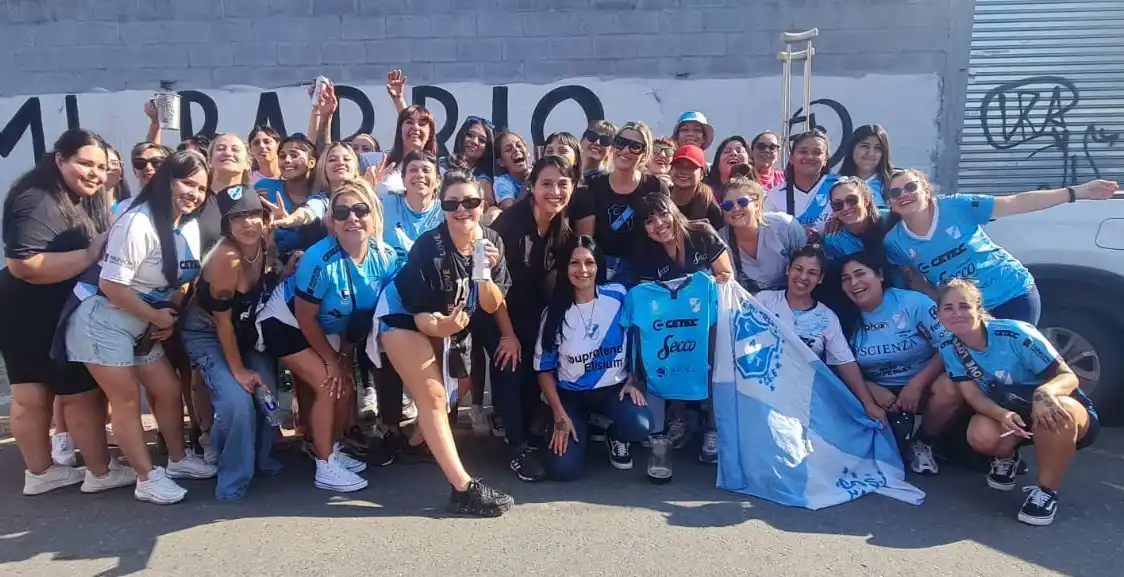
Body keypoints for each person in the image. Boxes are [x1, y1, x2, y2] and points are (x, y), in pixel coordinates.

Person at [64, 150, 217, 504]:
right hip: (102, 321)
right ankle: (147, 478)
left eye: (200, 188)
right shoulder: (138, 222)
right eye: (187, 182)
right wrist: (156, 317)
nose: (193, 193)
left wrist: (167, 316)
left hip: (143, 324)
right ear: (166, 180)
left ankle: (178, 460)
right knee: (127, 400)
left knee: (166, 389)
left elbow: (180, 282)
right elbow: (111, 285)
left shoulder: (185, 225)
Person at [1, 129, 134, 496]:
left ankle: (41, 473)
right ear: (59, 159)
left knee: (31, 393)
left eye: (102, 167)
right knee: (79, 395)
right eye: (85, 163)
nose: (94, 173)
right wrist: (90, 254)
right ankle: (100, 472)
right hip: (41, 308)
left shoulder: (75, 196)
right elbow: (25, 265)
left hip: (23, 306)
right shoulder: (37, 198)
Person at [377, 170, 516, 516]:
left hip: (452, 322)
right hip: (404, 316)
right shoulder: (430, 246)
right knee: (434, 395)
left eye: (470, 202)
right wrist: (447, 327)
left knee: (462, 385)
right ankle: (463, 489)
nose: (461, 210)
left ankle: (413, 444)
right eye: (452, 203)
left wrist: (483, 274)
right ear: (442, 206)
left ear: (482, 204)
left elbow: (491, 304)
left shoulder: (492, 241)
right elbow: (422, 317)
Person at [258, 179, 398, 492]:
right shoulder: (317, 259)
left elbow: (361, 316)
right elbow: (306, 319)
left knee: (345, 386)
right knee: (328, 383)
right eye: (342, 212)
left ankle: (331, 450)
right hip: (286, 323)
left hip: (332, 328)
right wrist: (331, 360)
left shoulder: (385, 257)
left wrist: (345, 358)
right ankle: (324, 466)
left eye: (361, 209)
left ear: (374, 215)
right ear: (331, 221)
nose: (352, 218)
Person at [936, 278, 1100, 526]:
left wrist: (1044, 395)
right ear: (939, 314)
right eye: (948, 308)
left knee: (1058, 411)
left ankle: (1046, 492)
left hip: (1059, 407)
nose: (956, 313)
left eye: (964, 306)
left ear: (979, 308)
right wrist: (1002, 416)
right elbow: (974, 397)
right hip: (1011, 410)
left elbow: (1068, 376)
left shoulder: (1015, 333)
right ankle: (1007, 458)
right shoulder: (949, 347)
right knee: (980, 434)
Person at [883, 169, 1117, 324]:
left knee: (1017, 368)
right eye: (895, 192)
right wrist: (943, 304)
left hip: (1011, 293)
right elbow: (915, 281)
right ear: (890, 203)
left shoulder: (957, 207)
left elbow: (1016, 202)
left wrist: (1076, 192)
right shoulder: (895, 241)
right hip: (966, 312)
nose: (904, 195)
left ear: (925, 189)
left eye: (911, 187)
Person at [489, 155, 596, 480]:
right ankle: (517, 447)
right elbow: (492, 289)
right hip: (494, 308)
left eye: (562, 184)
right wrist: (507, 334)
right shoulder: (509, 226)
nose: (555, 191)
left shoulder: (561, 224)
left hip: (530, 306)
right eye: (546, 183)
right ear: (531, 187)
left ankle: (530, 425)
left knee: (537, 361)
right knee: (511, 362)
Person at [181, 184, 282, 501]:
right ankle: (233, 479)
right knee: (236, 399)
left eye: (253, 214)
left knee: (266, 385)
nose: (247, 223)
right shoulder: (226, 257)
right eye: (237, 218)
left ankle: (261, 459)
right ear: (226, 224)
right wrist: (238, 370)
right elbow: (221, 320)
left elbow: (264, 277)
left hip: (241, 327)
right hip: (207, 331)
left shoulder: (264, 240)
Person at [534, 236, 652, 480]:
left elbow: (639, 338)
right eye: (574, 263)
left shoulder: (618, 296)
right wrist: (559, 415)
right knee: (563, 470)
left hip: (612, 391)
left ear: (599, 266)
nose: (583, 270)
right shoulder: (554, 313)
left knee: (639, 424)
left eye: (589, 262)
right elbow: (543, 370)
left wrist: (633, 379)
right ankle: (578, 428)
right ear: (565, 268)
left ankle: (614, 435)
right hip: (571, 397)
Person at [840, 252, 963, 475]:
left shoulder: (913, 302)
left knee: (950, 387)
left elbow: (949, 343)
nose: (854, 283)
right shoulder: (842, 316)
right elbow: (838, 364)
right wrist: (869, 389)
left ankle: (924, 441)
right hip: (875, 391)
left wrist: (917, 384)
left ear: (879, 275)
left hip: (923, 383)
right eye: (846, 279)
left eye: (860, 274)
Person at [754, 245, 884, 421]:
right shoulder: (763, 300)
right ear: (787, 269)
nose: (803, 277)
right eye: (798, 269)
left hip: (803, 396)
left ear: (821, 279)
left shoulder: (827, 317)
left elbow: (845, 362)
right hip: (759, 390)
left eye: (812, 273)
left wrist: (868, 404)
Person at [588, 121, 670, 286]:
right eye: (620, 143)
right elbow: (584, 238)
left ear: (644, 153)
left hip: (642, 272)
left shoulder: (655, 187)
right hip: (600, 270)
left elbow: (668, 231)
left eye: (635, 146)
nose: (625, 150)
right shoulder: (593, 184)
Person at [718, 171, 806, 293]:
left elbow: (808, 264)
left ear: (757, 205)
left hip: (791, 297)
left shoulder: (785, 226)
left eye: (742, 202)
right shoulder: (720, 241)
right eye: (728, 205)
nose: (736, 209)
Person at [632, 191, 733, 284]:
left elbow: (726, 276)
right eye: (649, 221)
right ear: (644, 230)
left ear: (675, 213)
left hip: (713, 299)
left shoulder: (703, 233)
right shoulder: (645, 255)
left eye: (663, 214)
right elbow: (649, 296)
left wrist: (696, 287)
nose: (659, 224)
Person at [764, 130, 838, 236]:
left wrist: (843, 216)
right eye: (803, 152)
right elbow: (768, 235)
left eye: (817, 153)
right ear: (791, 158)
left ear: (825, 160)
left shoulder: (840, 186)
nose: (809, 157)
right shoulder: (774, 197)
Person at [379, 105, 440, 196]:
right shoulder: (381, 164)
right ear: (400, 130)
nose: (415, 127)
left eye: (422, 124)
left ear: (430, 134)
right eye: (409, 122)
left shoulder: (440, 171)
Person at [667, 144, 723, 230]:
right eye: (678, 165)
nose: (683, 171)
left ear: (702, 174)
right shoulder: (662, 196)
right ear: (671, 170)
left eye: (691, 167)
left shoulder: (711, 209)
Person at [838, 124, 893, 208]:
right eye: (865, 146)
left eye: (878, 148)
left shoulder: (893, 185)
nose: (871, 153)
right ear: (852, 148)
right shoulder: (835, 183)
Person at [493, 131, 531, 210]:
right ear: (501, 162)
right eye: (508, 149)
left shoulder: (541, 172)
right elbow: (510, 211)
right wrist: (528, 183)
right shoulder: (502, 182)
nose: (516, 150)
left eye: (519, 145)